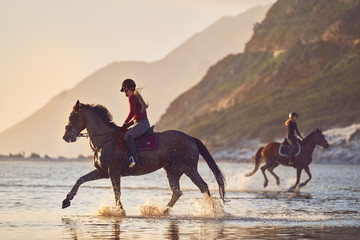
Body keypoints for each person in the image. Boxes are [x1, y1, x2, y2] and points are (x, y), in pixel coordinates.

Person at [120, 79, 150, 168]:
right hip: (141, 123)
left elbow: (132, 113)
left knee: (127, 136)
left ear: (126, 88)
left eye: (123, 90)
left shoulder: (132, 97)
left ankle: (135, 158)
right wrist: (126, 126)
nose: (124, 93)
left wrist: (124, 123)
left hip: (142, 124)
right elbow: (135, 118)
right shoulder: (136, 97)